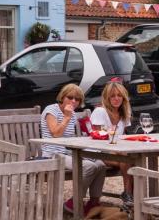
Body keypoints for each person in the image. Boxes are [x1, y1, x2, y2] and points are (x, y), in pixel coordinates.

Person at [40, 84, 107, 216]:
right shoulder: (51, 110)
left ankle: (93, 203)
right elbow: (55, 133)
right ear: (62, 97)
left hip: (68, 152)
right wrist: (66, 117)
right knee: (88, 167)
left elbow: (71, 139)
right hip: (53, 153)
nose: (73, 101)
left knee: (100, 164)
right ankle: (74, 202)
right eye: (70, 97)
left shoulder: (72, 114)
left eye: (77, 99)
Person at [90, 81, 133, 207]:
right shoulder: (100, 111)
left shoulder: (124, 113)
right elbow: (98, 138)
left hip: (115, 152)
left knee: (134, 160)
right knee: (127, 159)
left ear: (123, 97)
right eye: (112, 96)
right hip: (97, 152)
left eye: (119, 95)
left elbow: (123, 137)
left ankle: (132, 199)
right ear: (107, 98)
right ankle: (128, 195)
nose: (116, 98)